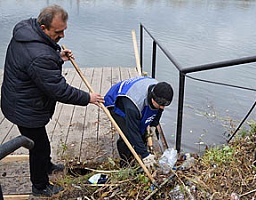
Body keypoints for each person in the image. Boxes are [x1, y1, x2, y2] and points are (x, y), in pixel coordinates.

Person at [1, 4, 104, 197]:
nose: (62, 36)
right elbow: (59, 90)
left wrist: (57, 57)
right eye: (58, 31)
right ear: (43, 28)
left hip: (18, 97)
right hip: (25, 108)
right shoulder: (39, 56)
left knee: (41, 143)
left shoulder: (26, 30)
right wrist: (88, 98)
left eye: (64, 30)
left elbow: (36, 60)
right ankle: (40, 186)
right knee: (38, 147)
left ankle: (47, 166)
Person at [104, 76, 173, 169]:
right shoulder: (133, 105)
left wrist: (154, 123)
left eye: (165, 105)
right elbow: (132, 131)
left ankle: (138, 152)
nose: (163, 107)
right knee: (127, 135)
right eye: (161, 104)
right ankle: (125, 163)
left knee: (142, 129)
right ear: (153, 99)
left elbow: (158, 111)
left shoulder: (160, 92)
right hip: (115, 101)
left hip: (136, 94)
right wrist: (145, 155)